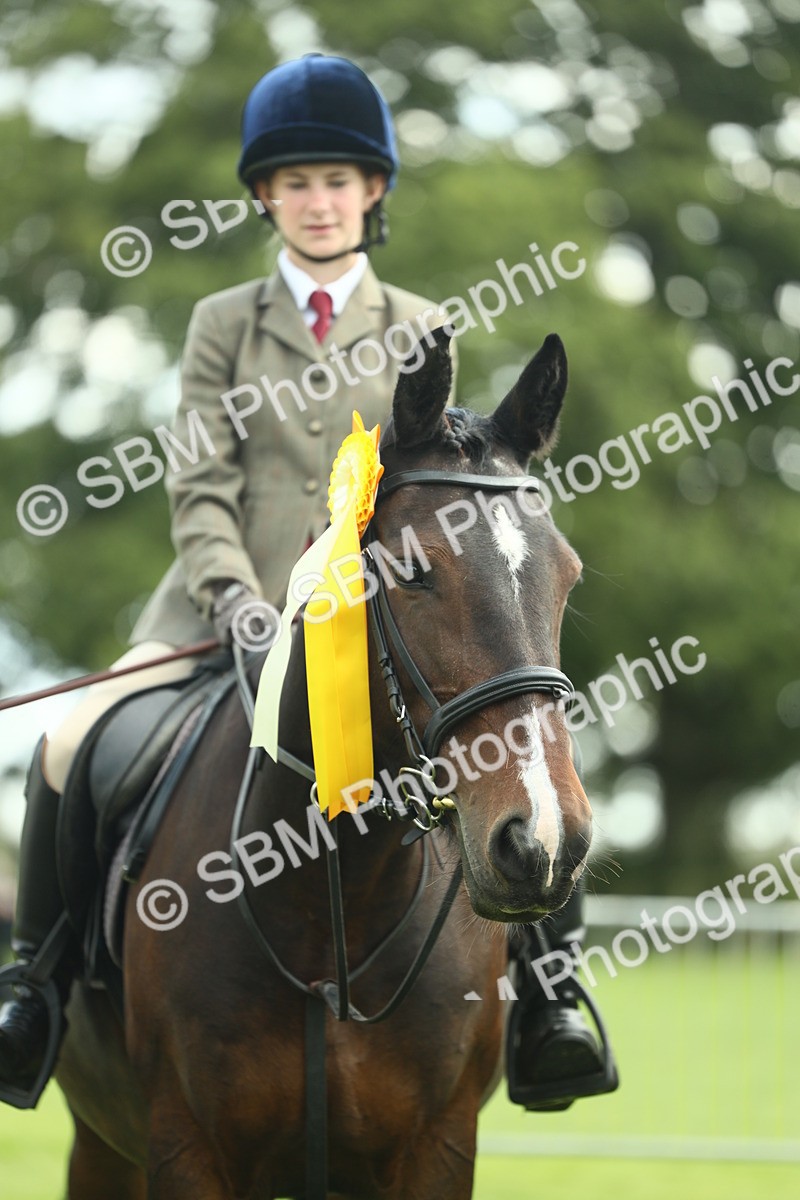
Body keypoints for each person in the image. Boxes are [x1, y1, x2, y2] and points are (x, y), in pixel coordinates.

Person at [0, 53, 612, 1110]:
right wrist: (234, 595)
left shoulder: (423, 326)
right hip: (213, 608)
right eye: (295, 184)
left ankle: (551, 990)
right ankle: (37, 986)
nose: (317, 202)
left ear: (371, 192)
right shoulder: (220, 326)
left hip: (374, 625)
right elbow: (199, 484)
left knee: (513, 754)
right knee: (68, 743)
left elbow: (448, 497)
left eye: (336, 181)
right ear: (263, 197)